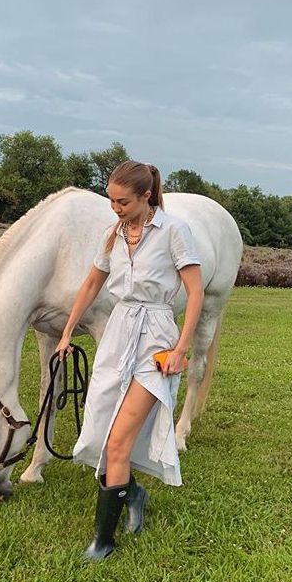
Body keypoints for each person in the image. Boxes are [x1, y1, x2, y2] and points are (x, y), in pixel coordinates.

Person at [55, 161, 203, 561]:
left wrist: (180, 349)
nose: (115, 208)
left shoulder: (174, 231)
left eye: (122, 202)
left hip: (155, 337)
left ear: (146, 196)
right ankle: (134, 493)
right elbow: (91, 284)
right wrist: (68, 332)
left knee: (118, 440)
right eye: (111, 201)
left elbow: (195, 292)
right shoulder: (114, 234)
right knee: (103, 428)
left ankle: (102, 542)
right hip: (119, 333)